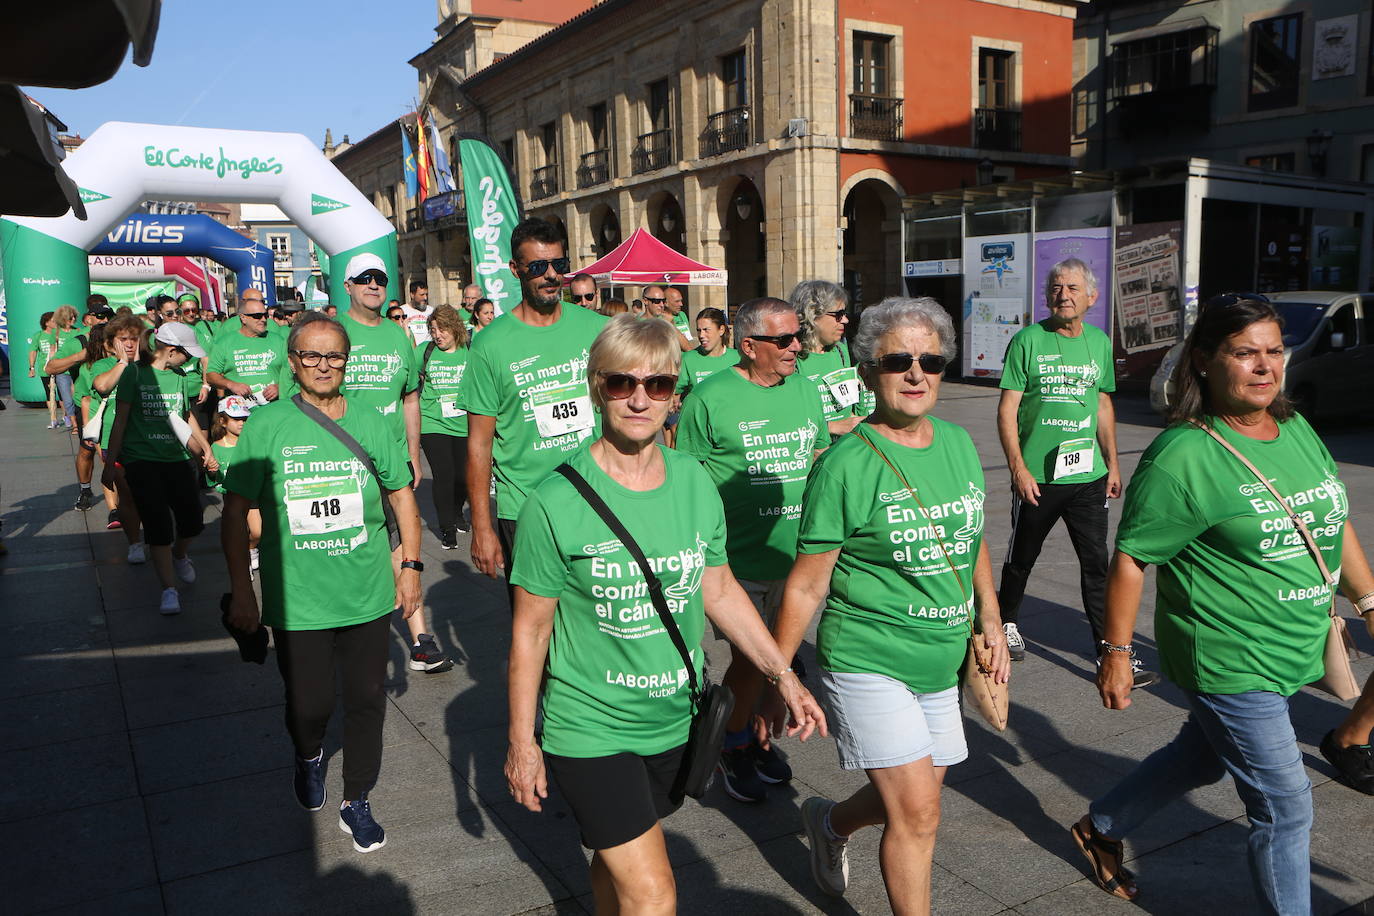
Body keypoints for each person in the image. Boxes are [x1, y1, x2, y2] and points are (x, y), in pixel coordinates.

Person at [505, 315, 827, 912]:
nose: (638, 398)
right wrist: (522, 740)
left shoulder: (694, 482)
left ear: (674, 392)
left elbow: (721, 589)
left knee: (614, 863)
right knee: (654, 893)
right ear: (595, 385)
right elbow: (530, 632)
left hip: (674, 720)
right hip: (590, 727)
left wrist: (783, 675)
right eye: (620, 382)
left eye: (655, 385)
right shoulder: (553, 501)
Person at [1073, 293, 1374, 913]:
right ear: (1205, 361)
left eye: (1273, 351)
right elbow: (1131, 558)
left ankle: (1101, 826)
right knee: (1286, 804)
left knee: (1202, 755)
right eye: (1245, 354)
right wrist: (1118, 652)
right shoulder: (1182, 457)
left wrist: (1369, 599)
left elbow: (1332, 517)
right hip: (1227, 654)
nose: (1265, 366)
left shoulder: (1294, 427)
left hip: (1289, 643)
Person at [773, 297, 1010, 909]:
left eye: (929, 360)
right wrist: (779, 674)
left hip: (941, 655)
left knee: (905, 796)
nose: (915, 373)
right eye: (897, 360)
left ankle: (829, 824)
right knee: (921, 816)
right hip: (868, 655)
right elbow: (806, 583)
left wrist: (989, 618)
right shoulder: (846, 465)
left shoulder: (959, 444)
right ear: (866, 373)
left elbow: (970, 536)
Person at [223, 313, 424, 854]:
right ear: (292, 362)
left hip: (366, 593)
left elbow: (402, 495)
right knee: (309, 705)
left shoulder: (370, 419)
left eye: (333, 355)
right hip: (298, 599)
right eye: (310, 355)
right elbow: (235, 508)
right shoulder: (266, 425)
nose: (322, 365)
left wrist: (410, 568)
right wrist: (243, 589)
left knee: (366, 701)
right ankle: (308, 754)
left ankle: (356, 799)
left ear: (346, 360)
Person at [677, 297, 827, 802]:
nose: (796, 348)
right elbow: (689, 477)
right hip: (737, 560)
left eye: (798, 337)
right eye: (783, 340)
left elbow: (820, 455)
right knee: (749, 658)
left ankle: (756, 733)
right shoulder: (711, 397)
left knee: (777, 655)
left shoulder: (806, 390)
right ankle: (730, 744)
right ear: (748, 346)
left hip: (798, 558)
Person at [995, 259, 1158, 688]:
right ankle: (1006, 621)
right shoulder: (1028, 340)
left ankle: (1110, 652)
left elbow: (1103, 405)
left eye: (1071, 287)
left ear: (1091, 297)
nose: (1062, 294)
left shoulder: (1100, 343)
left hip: (1087, 476)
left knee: (1097, 564)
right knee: (1021, 557)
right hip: (1038, 478)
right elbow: (1008, 408)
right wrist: (1018, 467)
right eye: (1055, 286)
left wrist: (1114, 463)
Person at [455, 218, 608, 605]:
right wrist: (482, 527)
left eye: (559, 264)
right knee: (535, 630)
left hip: (596, 499)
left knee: (601, 622)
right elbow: (479, 444)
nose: (551, 275)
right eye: (538, 267)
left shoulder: (596, 329)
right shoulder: (490, 344)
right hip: (525, 508)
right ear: (516, 270)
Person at [338, 253, 450, 672]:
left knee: (404, 535)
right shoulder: (335, 332)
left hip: (391, 460)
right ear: (347, 286)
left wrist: (413, 452)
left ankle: (420, 637)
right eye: (363, 279)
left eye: (380, 279)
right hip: (343, 460)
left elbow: (409, 398)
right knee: (352, 543)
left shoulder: (398, 335)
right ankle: (346, 629)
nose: (373, 285)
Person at [102, 321, 216, 615]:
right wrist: (110, 464)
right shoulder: (134, 374)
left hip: (177, 458)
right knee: (158, 525)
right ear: (172, 350)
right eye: (187, 354)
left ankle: (180, 554)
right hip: (141, 460)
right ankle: (168, 588)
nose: (189, 360)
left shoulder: (179, 377)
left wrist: (205, 448)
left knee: (192, 520)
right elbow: (121, 420)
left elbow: (185, 416)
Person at [89, 315, 147, 553]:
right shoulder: (104, 365)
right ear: (111, 343)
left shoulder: (150, 366)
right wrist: (123, 362)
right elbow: (102, 386)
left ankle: (156, 539)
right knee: (127, 494)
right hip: (117, 440)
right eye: (124, 339)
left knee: (149, 496)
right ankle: (134, 542)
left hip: (149, 440)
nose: (130, 344)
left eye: (134, 339)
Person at [418, 305, 471, 549]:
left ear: (455, 327)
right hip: (432, 422)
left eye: (442, 329)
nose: (438, 335)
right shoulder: (425, 352)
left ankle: (457, 511)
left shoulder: (470, 350)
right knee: (444, 475)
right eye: (433, 330)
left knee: (463, 476)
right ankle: (446, 528)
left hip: (464, 422)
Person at [791, 281, 862, 441]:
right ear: (813, 315)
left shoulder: (840, 350)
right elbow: (784, 418)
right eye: (838, 314)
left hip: (843, 450)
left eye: (845, 314)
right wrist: (834, 427)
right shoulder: (791, 357)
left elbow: (846, 406)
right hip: (812, 454)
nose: (845, 320)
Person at [207, 395, 260, 572]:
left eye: (244, 418)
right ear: (222, 421)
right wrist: (212, 471)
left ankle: (251, 549)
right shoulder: (216, 447)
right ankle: (243, 566)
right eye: (236, 419)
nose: (242, 423)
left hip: (252, 495)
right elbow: (213, 478)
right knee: (238, 533)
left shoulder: (251, 443)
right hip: (231, 496)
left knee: (257, 531)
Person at [206, 292, 286, 404]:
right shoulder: (225, 342)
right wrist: (231, 385)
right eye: (257, 316)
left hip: (273, 408)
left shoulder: (279, 341)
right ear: (243, 318)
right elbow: (211, 375)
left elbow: (294, 372)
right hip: (240, 410)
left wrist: (280, 387)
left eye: (265, 315)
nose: (263, 319)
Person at [675, 308, 736, 402]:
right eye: (699, 330)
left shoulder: (737, 358)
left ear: (721, 330)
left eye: (706, 330)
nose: (701, 335)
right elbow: (675, 395)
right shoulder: (688, 359)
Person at [27, 311, 60, 427]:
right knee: (49, 393)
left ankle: (67, 417)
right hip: (45, 369)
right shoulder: (39, 335)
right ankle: (54, 418)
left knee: (62, 394)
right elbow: (33, 351)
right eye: (53, 320)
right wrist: (31, 367)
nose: (56, 322)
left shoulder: (60, 334)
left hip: (61, 368)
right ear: (46, 323)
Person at [401, 280, 433, 344]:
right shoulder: (402, 311)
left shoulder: (431, 310)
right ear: (412, 295)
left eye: (426, 294)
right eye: (422, 295)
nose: (425, 298)